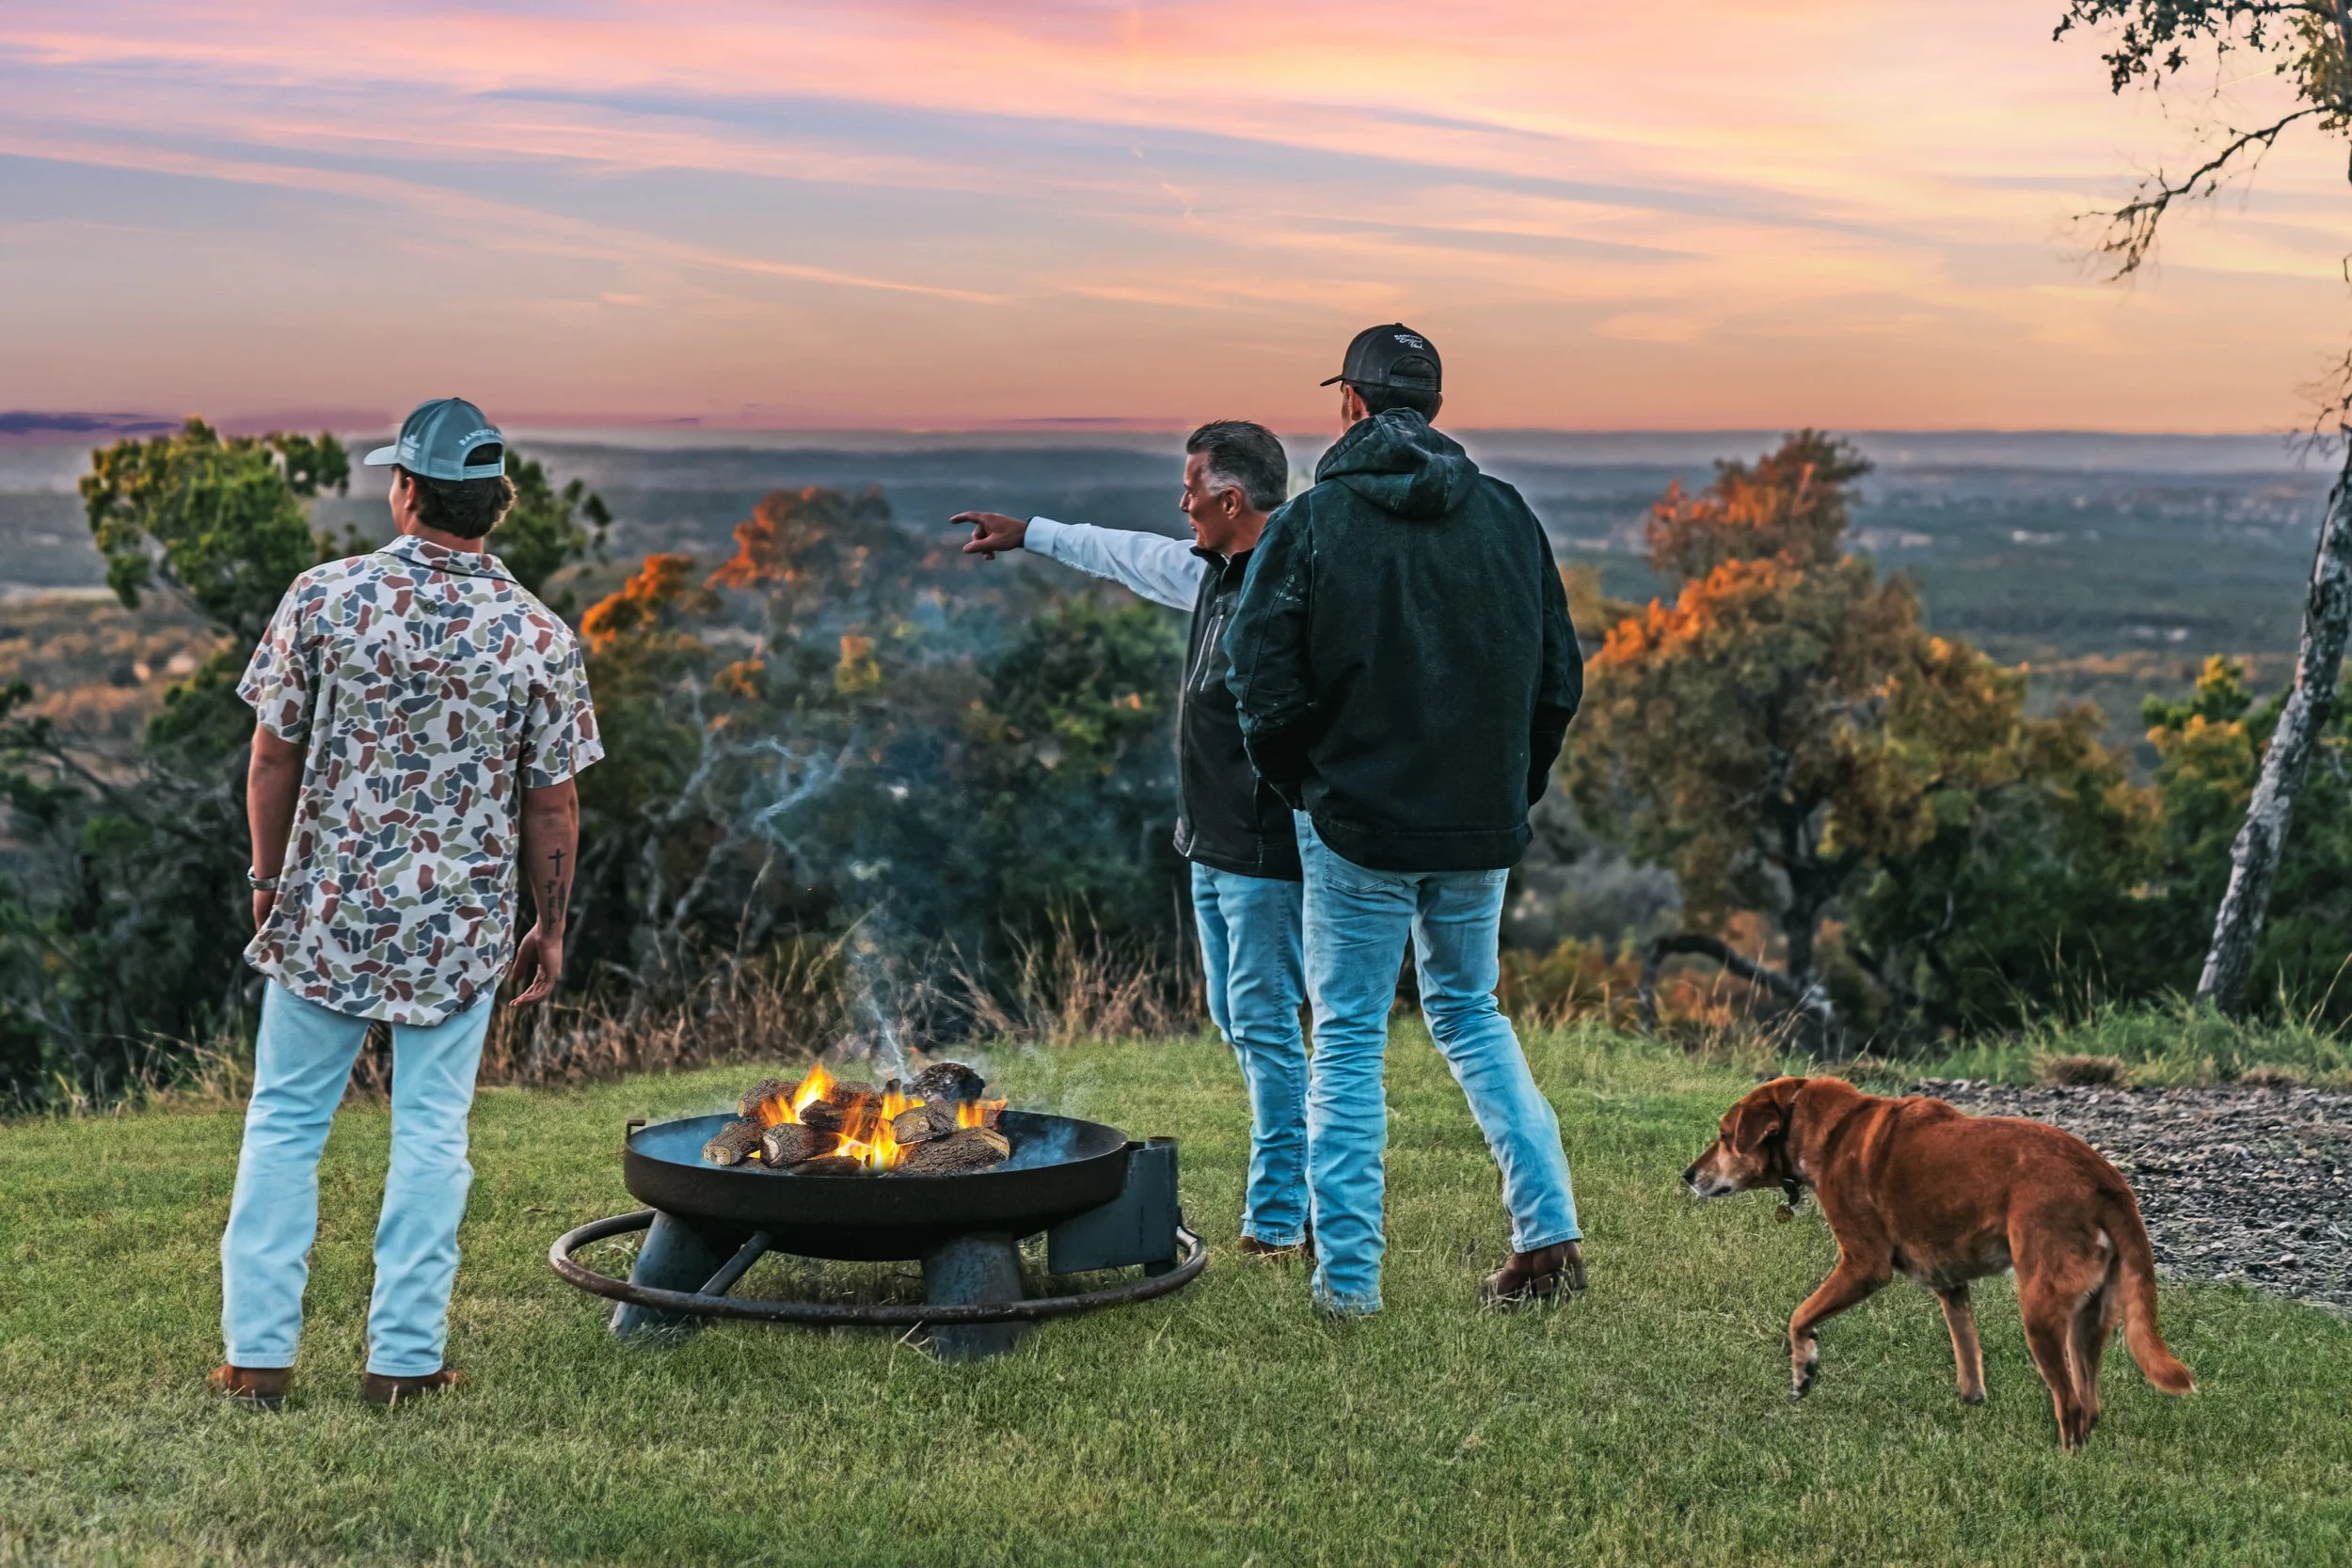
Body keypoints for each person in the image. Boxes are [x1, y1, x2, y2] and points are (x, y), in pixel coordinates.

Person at [209, 397, 601, 1409]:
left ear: (409, 490)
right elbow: (552, 800)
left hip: (328, 906)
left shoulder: (325, 597)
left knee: (286, 1121)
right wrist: (550, 926)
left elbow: (271, 752)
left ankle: (257, 1360)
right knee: (432, 1134)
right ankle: (404, 1363)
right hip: (461, 924)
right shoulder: (539, 634)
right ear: (495, 506)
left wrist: (266, 880)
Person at [1223, 325, 1586, 1317]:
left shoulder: (1313, 522)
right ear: (1429, 406)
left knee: (1344, 1036)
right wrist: (1509, 790)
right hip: (1476, 825)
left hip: (1353, 825)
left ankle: (1348, 1287)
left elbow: (1257, 679)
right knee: (1472, 1013)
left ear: (1350, 404)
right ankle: (1547, 1234)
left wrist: (1306, 785)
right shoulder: (1508, 516)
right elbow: (1559, 677)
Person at [954, 421, 1311, 1259]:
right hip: (1212, 848)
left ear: (1232, 499)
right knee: (1236, 1018)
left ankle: (1278, 1219)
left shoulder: (1289, 588)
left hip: (1265, 852)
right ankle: (1287, 1203)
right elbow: (1128, 553)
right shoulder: (1213, 573)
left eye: (1192, 490)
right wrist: (1031, 533)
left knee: (1263, 1027)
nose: (1180, 504)